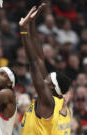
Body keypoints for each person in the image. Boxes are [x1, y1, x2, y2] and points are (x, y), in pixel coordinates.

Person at [19, 3, 71, 135]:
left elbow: (33, 62)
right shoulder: (56, 101)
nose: (44, 78)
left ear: (52, 87)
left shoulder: (47, 102)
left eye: (47, 79)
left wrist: (24, 31)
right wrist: (32, 23)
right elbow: (40, 58)